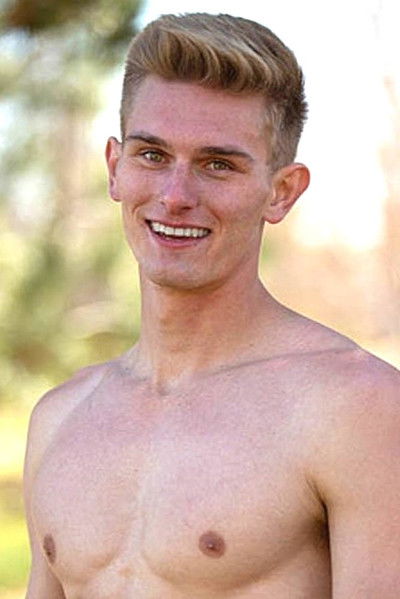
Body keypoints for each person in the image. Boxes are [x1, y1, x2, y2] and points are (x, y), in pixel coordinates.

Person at [24, 12, 400, 599]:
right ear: (115, 168)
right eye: (152, 155)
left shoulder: (359, 409)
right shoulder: (59, 418)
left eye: (217, 164)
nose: (175, 196)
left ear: (282, 192)